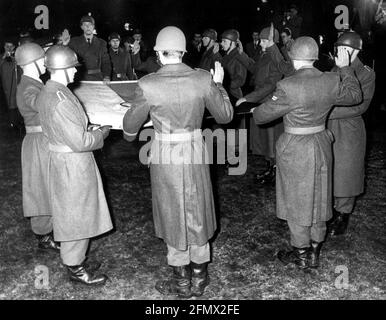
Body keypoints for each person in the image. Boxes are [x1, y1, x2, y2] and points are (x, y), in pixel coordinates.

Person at [122, 26, 233, 298]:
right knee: (198, 207)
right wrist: (219, 85)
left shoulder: (147, 84)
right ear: (184, 52)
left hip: (164, 153)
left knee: (172, 211)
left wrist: (131, 127)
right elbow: (226, 117)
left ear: (159, 53)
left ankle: (181, 280)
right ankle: (200, 276)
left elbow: (129, 129)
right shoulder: (203, 79)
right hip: (195, 150)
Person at [253, 37, 362, 269]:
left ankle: (301, 252)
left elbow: (261, 117)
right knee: (320, 196)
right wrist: (345, 67)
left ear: (293, 58)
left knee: (297, 199)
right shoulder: (331, 79)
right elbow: (355, 96)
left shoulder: (288, 85)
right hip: (322, 143)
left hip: (295, 147)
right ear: (314, 57)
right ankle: (314, 250)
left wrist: (259, 108)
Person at [36, 45, 113, 285]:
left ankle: (75, 259)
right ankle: (75, 267)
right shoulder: (59, 99)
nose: (75, 72)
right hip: (72, 162)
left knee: (74, 212)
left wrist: (87, 128)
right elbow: (80, 141)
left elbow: (69, 130)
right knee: (76, 215)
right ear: (62, 68)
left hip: (65, 159)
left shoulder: (53, 92)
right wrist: (102, 132)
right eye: (72, 68)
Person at [327, 31, 376, 236]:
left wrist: (328, 111)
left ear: (356, 51)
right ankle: (331, 209)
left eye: (345, 49)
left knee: (347, 172)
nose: (341, 52)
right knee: (331, 168)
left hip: (349, 129)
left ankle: (343, 214)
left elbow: (360, 106)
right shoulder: (334, 69)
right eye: (339, 48)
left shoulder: (366, 73)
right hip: (329, 126)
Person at [15, 42, 59, 251]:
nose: (45, 62)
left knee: (46, 186)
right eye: (42, 59)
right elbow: (41, 104)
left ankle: (49, 231)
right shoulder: (29, 86)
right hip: (38, 142)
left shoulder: (33, 82)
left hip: (42, 140)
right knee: (40, 188)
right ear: (33, 62)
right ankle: (44, 235)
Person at [236, 26, 283, 185]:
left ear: (272, 41)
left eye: (264, 41)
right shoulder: (265, 55)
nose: (261, 44)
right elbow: (253, 67)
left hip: (269, 102)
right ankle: (270, 168)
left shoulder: (277, 58)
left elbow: (270, 85)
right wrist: (241, 54)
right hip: (260, 100)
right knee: (264, 140)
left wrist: (248, 98)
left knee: (272, 140)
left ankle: (276, 171)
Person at [62, 15, 111, 81]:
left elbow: (106, 62)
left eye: (90, 25)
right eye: (85, 25)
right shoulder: (74, 42)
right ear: (82, 27)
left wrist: (107, 76)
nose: (88, 27)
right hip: (80, 79)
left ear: (93, 27)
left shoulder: (101, 43)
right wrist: (64, 45)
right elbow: (66, 58)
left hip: (97, 78)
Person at [220, 29, 247, 103]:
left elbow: (240, 80)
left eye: (224, 41)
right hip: (224, 93)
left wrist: (224, 85)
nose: (221, 43)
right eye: (222, 41)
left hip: (233, 96)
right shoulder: (225, 57)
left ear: (232, 43)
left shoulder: (239, 57)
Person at [0, 39, 22, 128]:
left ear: (14, 47)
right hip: (7, 87)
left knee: (19, 103)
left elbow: (21, 68)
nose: (8, 48)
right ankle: (13, 123)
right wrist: (4, 57)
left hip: (18, 85)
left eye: (11, 46)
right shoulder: (1, 57)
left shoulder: (17, 57)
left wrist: (14, 57)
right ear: (4, 47)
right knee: (11, 104)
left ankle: (21, 122)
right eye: (7, 46)